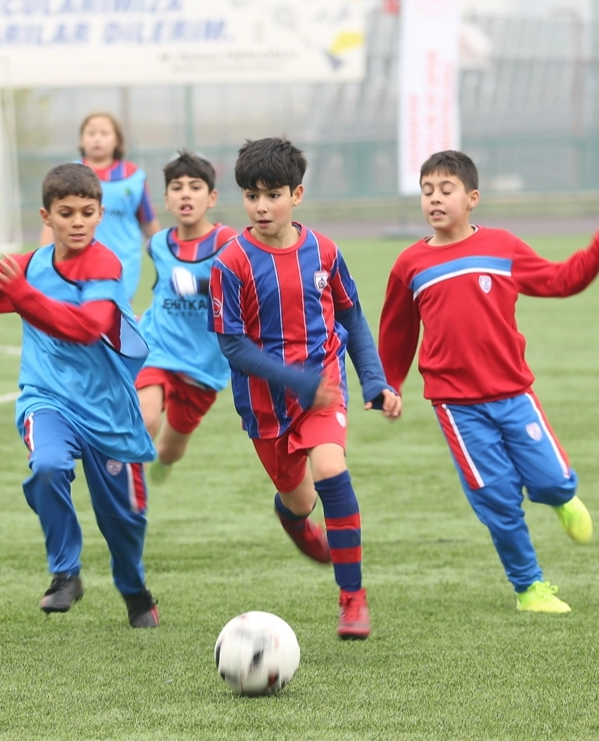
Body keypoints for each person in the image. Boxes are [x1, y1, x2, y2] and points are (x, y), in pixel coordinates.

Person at [378, 150, 599, 614]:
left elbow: (560, 279)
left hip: (515, 396)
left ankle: (563, 499)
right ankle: (529, 588)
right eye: (427, 191)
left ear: (471, 198)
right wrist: (388, 384)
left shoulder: (502, 247)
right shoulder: (409, 264)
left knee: (552, 482)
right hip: (456, 406)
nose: (435, 199)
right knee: (497, 500)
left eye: (445, 190)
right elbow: (397, 332)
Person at [0, 163, 160, 628]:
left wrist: (22, 296)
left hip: (108, 411)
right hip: (46, 400)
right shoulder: (29, 268)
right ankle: (66, 573)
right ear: (46, 216)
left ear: (100, 214)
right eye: (66, 213)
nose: (78, 222)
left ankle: (133, 589)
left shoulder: (104, 265)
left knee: (123, 523)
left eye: (87, 212)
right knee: (48, 466)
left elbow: (87, 328)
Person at [208, 137, 401, 639]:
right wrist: (297, 381)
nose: (261, 206)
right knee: (298, 501)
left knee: (332, 468)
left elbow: (352, 317)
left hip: (324, 385)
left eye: (272, 194)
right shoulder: (230, 263)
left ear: (298, 193)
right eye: (252, 196)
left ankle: (352, 600)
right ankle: (295, 519)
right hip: (265, 407)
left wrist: (375, 381)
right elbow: (232, 347)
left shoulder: (325, 251)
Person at [136, 151, 238, 484]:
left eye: (195, 187)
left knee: (169, 450)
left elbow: (244, 288)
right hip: (158, 350)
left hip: (204, 366)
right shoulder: (158, 245)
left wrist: (200, 284)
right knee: (145, 419)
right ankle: (121, 487)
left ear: (211, 197)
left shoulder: (230, 243)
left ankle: (162, 465)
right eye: (177, 188)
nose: (185, 194)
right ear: (166, 199)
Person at [39, 112, 160, 300]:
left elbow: (148, 222)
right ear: (81, 139)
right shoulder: (67, 174)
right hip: (75, 262)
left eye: (104, 133)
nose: (97, 138)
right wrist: (43, 259)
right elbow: (52, 219)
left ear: (117, 140)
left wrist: (165, 254)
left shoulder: (134, 177)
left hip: (122, 264)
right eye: (91, 133)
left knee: (109, 320)